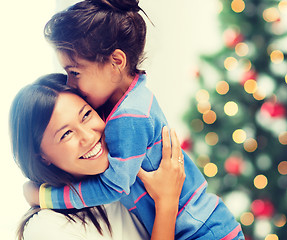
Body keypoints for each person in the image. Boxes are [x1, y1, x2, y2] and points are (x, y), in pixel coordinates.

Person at [25, 0, 245, 239]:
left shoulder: (128, 117)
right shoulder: (135, 95)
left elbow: (113, 186)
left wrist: (45, 196)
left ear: (116, 62)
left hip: (203, 231)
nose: (70, 83)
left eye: (75, 72)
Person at [10, 73, 185, 240]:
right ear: (42, 158)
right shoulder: (47, 228)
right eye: (66, 134)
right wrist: (167, 203)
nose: (88, 136)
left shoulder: (125, 174)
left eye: (86, 115)